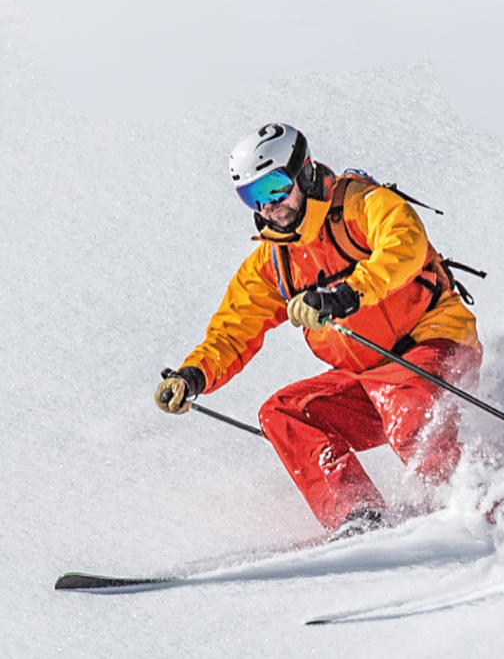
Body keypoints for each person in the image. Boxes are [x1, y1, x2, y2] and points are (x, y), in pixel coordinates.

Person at [154, 123, 482, 537]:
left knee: (408, 411)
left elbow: (405, 243)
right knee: (285, 413)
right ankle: (359, 517)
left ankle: (483, 507)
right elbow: (233, 329)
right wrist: (194, 375)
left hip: (429, 343)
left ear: (303, 171)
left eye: (274, 187)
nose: (268, 206)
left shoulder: (360, 205)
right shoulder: (273, 262)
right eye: (252, 196)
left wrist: (347, 294)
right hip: (366, 377)